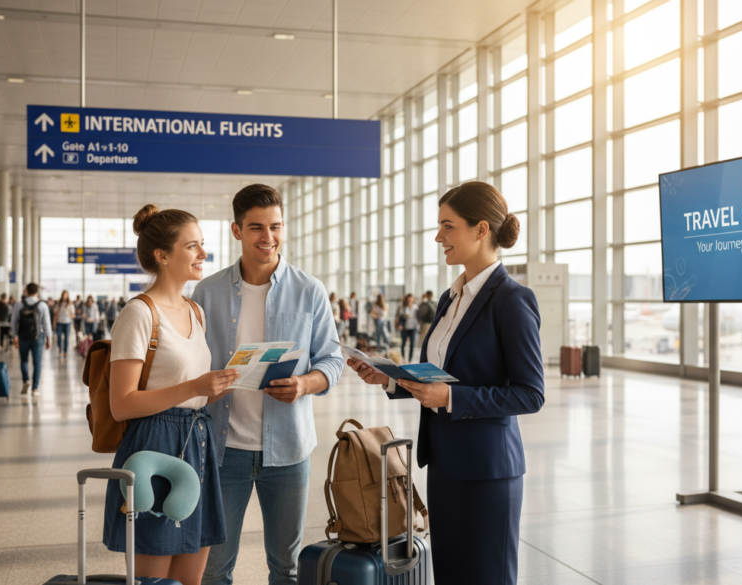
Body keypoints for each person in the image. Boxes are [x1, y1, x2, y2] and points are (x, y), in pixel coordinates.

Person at [346, 181, 545, 585]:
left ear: (481, 230)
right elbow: (434, 376)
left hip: (489, 471)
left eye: (447, 226)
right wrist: (389, 378)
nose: (439, 237)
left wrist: (452, 398)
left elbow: (530, 393)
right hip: (444, 465)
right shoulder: (450, 298)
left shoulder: (512, 300)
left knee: (487, 576)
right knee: (450, 574)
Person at [193, 183, 343, 585]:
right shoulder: (207, 292)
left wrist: (305, 384)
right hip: (224, 452)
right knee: (214, 567)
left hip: (289, 450)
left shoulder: (309, 290)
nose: (268, 237)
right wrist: (204, 382)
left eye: (275, 226)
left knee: (287, 569)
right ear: (237, 230)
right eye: (256, 227)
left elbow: (332, 359)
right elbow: (190, 364)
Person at [103, 204, 239, 585]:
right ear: (163, 256)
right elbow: (121, 403)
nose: (203, 254)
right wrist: (195, 387)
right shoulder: (139, 314)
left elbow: (192, 394)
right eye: (192, 246)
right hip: (154, 447)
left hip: (198, 441)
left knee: (190, 577)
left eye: (202, 245)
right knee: (154, 580)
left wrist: (220, 385)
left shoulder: (195, 311)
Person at [11, 283, 52, 396]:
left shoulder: (19, 305)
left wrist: (15, 336)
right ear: (37, 292)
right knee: (37, 362)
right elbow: (46, 323)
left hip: (23, 337)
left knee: (24, 360)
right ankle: (35, 388)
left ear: (26, 291)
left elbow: (13, 322)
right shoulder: (42, 305)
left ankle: (26, 380)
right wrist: (49, 339)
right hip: (38, 337)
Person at [396, 293, 419, 363]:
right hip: (405, 327)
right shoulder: (403, 307)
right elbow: (400, 317)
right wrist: (401, 322)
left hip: (413, 327)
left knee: (412, 343)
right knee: (403, 343)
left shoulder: (415, 307)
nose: (410, 300)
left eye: (411, 298)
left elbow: (418, 317)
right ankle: (403, 358)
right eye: (409, 298)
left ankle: (410, 359)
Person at [54, 290, 74, 359]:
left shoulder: (70, 304)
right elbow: (56, 314)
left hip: (67, 323)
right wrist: (54, 323)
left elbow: (73, 315)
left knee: (66, 338)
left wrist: (69, 314)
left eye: (66, 295)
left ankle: (65, 351)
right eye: (64, 294)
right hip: (59, 322)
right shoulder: (59, 303)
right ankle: (60, 349)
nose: (65, 296)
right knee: (59, 337)